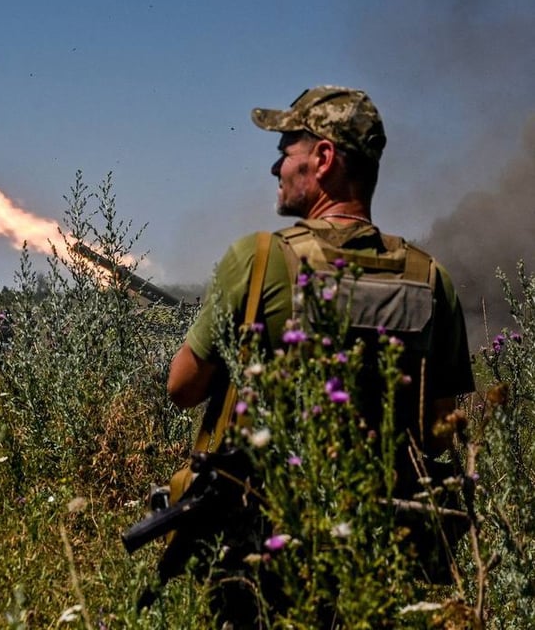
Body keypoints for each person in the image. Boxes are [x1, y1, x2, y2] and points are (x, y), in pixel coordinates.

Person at [164, 85, 476, 620]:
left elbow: (182, 388)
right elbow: (438, 429)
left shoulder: (259, 260)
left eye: (286, 150)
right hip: (384, 557)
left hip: (268, 555)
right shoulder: (430, 278)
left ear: (324, 158)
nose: (276, 168)